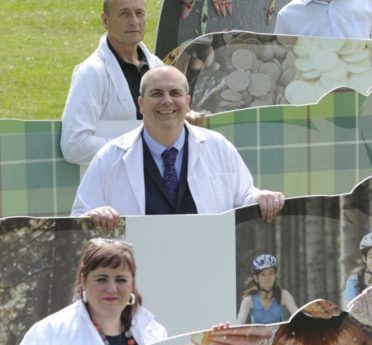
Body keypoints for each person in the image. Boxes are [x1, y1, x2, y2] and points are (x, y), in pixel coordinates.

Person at [71, 66, 285, 229]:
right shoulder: (110, 156)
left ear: (188, 101)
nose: (167, 101)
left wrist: (261, 198)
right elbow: (80, 215)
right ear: (140, 104)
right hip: (138, 275)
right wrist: (95, 215)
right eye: (156, 94)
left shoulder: (218, 147)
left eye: (175, 93)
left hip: (208, 273)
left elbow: (245, 196)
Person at [60, 0, 165, 166]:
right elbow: (74, 145)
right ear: (105, 20)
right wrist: (138, 149)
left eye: (139, 13)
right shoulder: (91, 73)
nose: (134, 21)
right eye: (124, 14)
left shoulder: (158, 66)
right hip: (112, 186)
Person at [18, 239, 167, 345]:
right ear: (84, 280)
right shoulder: (48, 333)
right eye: (101, 279)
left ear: (132, 284)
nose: (112, 288)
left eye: (121, 280)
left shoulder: (154, 332)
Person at [236, 254, 299, 324]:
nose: (267, 278)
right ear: (256, 278)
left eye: (271, 273)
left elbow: (299, 318)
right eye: (263, 274)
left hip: (278, 334)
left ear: (275, 275)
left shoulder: (284, 295)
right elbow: (239, 325)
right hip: (258, 335)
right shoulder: (249, 300)